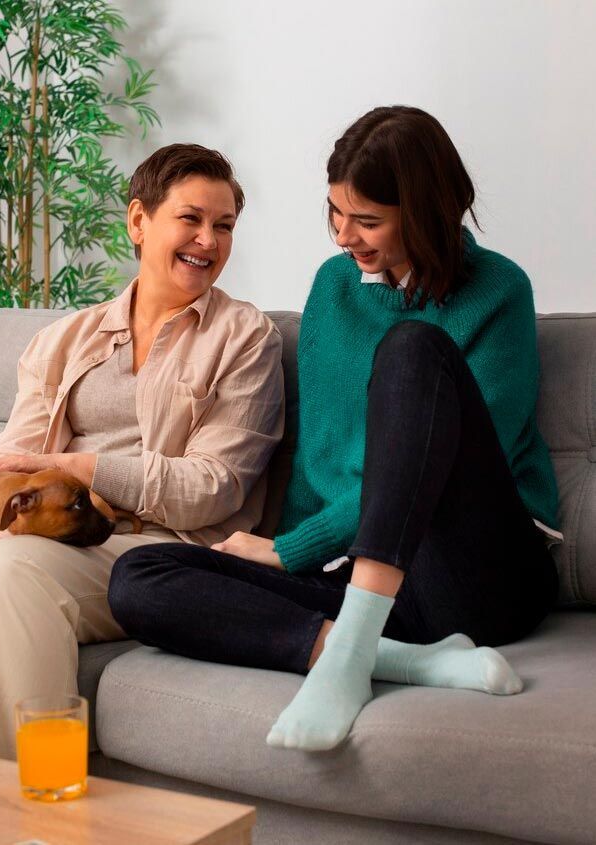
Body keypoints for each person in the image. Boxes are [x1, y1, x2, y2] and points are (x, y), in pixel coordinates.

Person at [108, 106, 561, 752]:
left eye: (368, 220)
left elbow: (438, 461)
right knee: (138, 579)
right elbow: (319, 457)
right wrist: (289, 551)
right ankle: (392, 658)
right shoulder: (333, 288)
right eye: (335, 213)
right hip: (362, 587)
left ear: (427, 211)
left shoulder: (499, 292)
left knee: (412, 350)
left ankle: (349, 656)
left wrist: (292, 550)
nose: (345, 236)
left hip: (475, 571)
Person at [0, 144, 284, 760]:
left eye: (224, 226)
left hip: (159, 550)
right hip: (45, 530)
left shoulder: (244, 338)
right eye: (190, 219)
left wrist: (77, 468)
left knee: (3, 578)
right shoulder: (65, 339)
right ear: (139, 220)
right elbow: (17, 454)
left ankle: (14, 822)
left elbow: (213, 488)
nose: (208, 240)